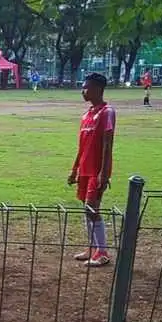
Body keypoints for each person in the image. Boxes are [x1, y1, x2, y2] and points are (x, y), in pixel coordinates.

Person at [68, 72, 116, 267]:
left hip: (96, 170)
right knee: (87, 209)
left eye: (86, 87)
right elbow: (82, 146)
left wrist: (103, 174)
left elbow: (107, 145)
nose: (83, 91)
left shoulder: (106, 112)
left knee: (92, 209)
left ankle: (102, 252)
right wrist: (74, 169)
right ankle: (92, 247)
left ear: (98, 89)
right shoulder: (86, 115)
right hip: (84, 170)